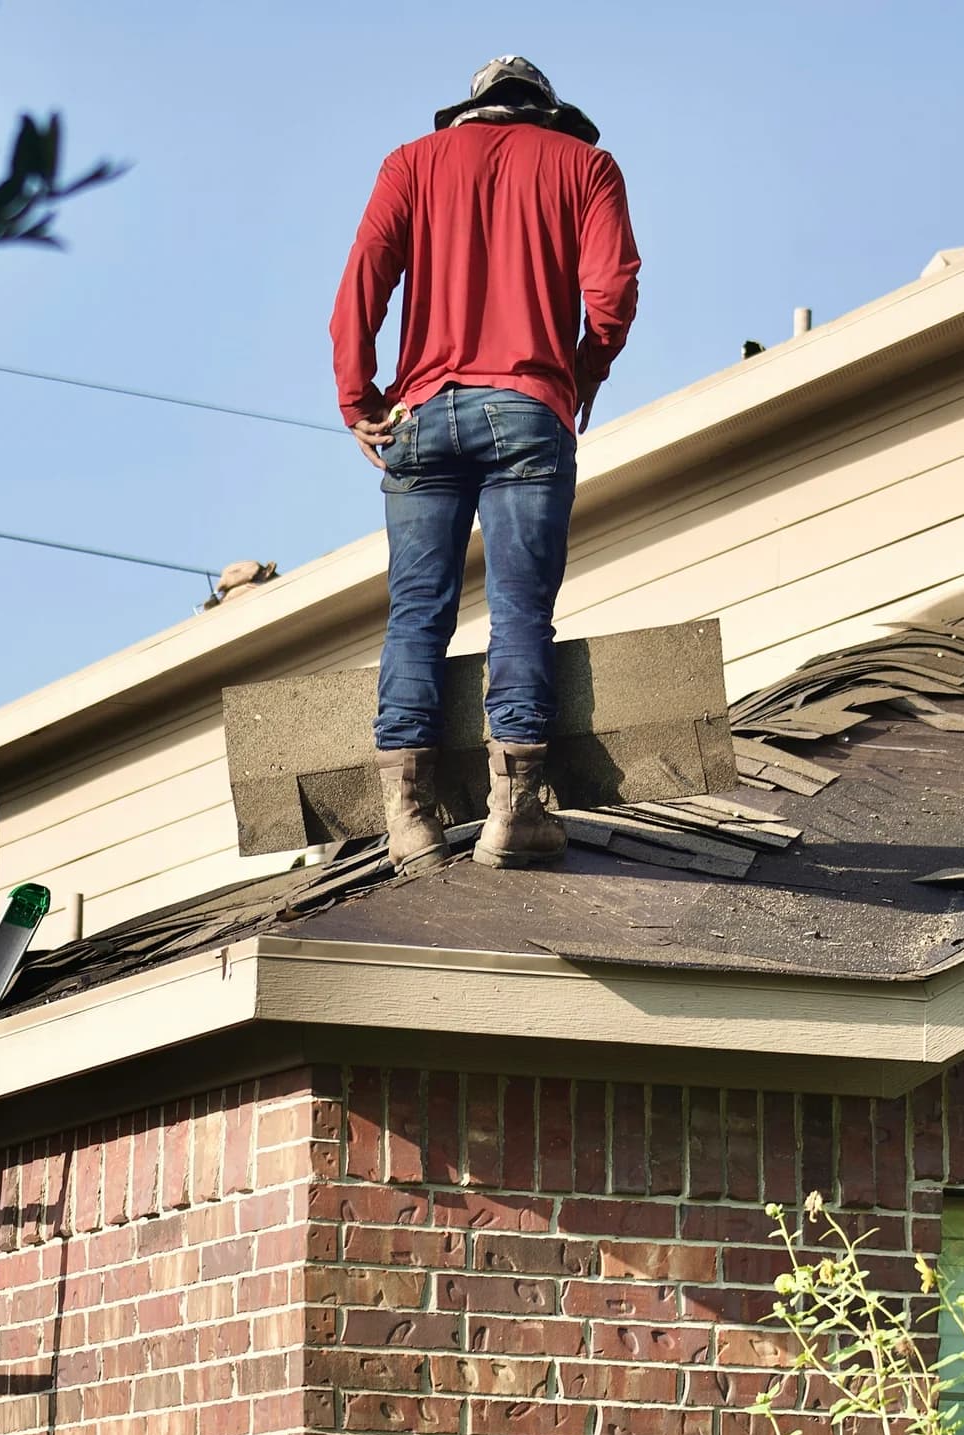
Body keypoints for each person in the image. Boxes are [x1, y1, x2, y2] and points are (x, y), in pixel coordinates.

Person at [331, 55, 640, 870]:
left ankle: (409, 820)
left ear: (470, 110)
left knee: (415, 613)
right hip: (529, 409)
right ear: (546, 112)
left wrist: (358, 399)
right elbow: (612, 294)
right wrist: (581, 373)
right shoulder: (586, 166)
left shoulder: (410, 163)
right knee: (520, 611)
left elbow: (362, 281)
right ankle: (515, 811)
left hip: (421, 414)